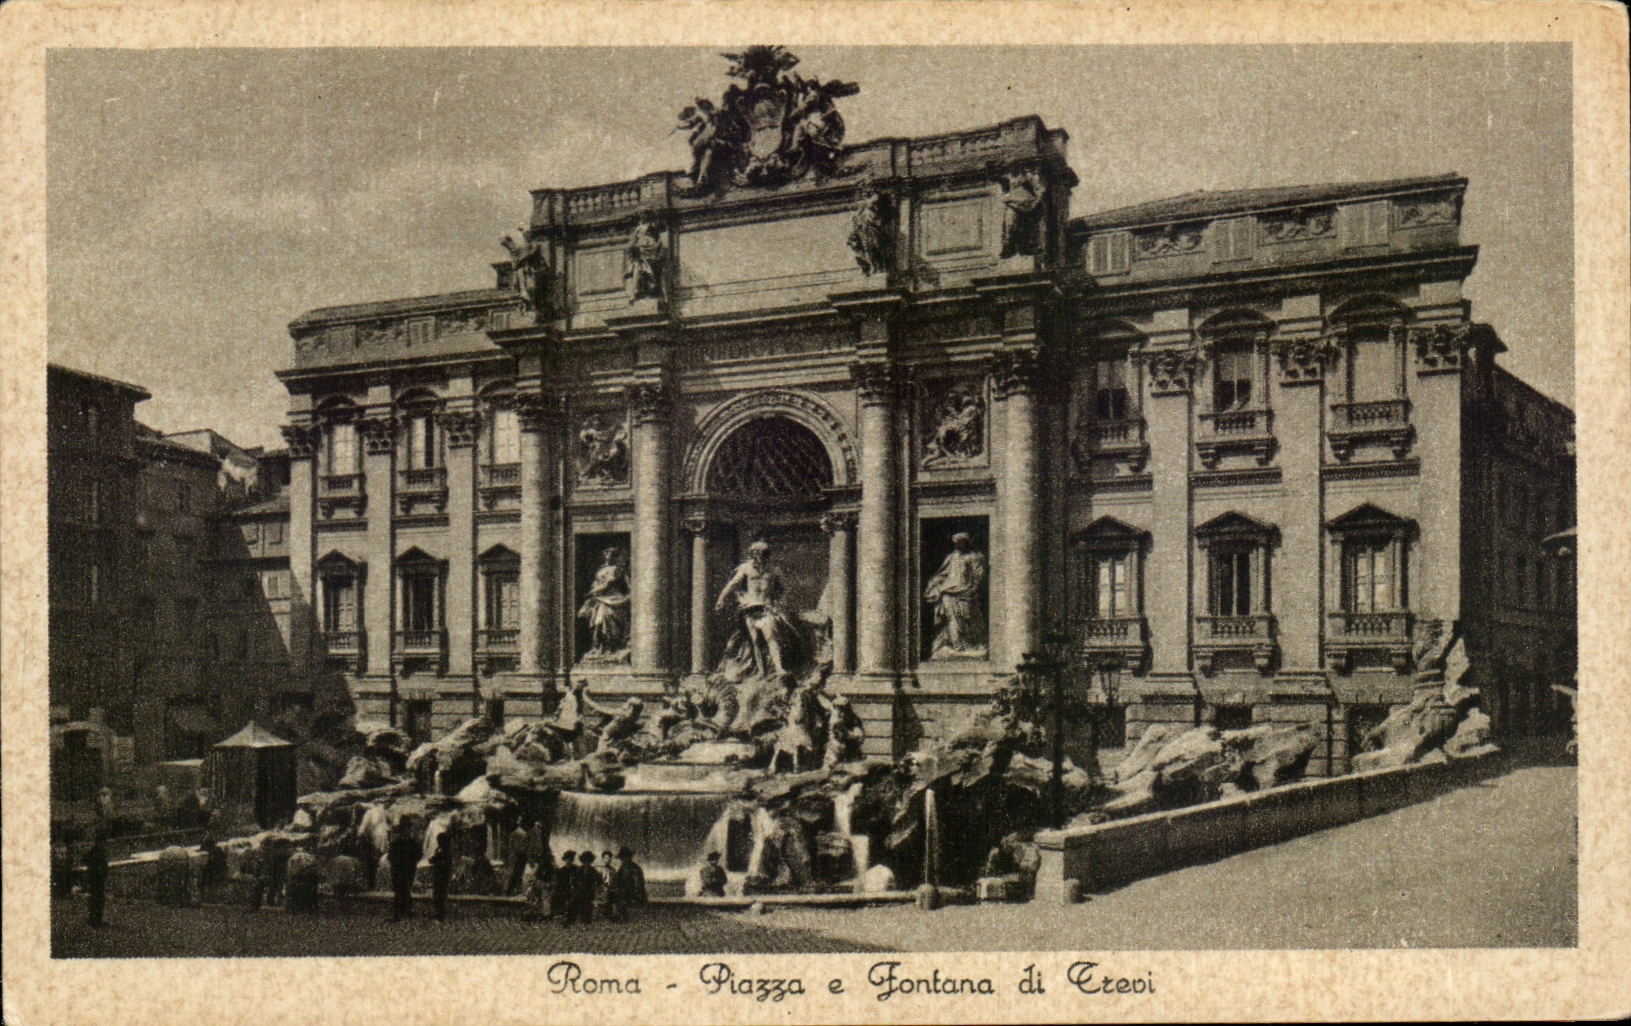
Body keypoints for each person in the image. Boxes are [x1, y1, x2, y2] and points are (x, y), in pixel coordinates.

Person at [714, 540, 804, 683]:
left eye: (763, 554)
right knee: (755, 641)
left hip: (766, 608)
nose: (760, 557)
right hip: (750, 608)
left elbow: (785, 589)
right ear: (753, 554)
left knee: (770, 636)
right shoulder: (745, 568)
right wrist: (721, 599)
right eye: (757, 554)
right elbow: (732, 584)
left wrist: (778, 603)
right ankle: (762, 671)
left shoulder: (773, 570)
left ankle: (779, 668)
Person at [923, 532, 988, 658]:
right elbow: (943, 573)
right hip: (949, 592)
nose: (958, 545)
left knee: (969, 619)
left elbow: (980, 576)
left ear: (967, 542)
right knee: (951, 619)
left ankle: (971, 646)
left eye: (960, 542)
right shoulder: (952, 557)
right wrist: (933, 583)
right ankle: (957, 646)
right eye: (956, 543)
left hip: (967, 592)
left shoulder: (976, 557)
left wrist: (972, 588)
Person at [577, 547, 631, 658]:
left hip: (613, 599)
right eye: (607, 554)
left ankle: (610, 649)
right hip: (600, 599)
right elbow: (597, 583)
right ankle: (597, 648)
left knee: (607, 620)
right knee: (596, 623)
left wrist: (589, 593)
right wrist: (593, 591)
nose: (609, 556)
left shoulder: (617, 569)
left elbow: (607, 585)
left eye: (612, 554)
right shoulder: (601, 570)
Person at [387, 817, 423, 922]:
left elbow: (418, 855)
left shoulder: (409, 843)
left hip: (405, 869)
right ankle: (401, 912)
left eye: (407, 828)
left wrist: (411, 862)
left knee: (404, 890)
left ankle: (404, 912)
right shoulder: (400, 843)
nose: (405, 831)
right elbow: (390, 856)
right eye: (404, 829)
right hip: (401, 870)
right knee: (400, 890)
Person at [83, 812, 110, 927]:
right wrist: (104, 872)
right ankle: (96, 920)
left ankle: (94, 919)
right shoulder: (99, 850)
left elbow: (86, 859)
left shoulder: (94, 849)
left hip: (94, 876)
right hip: (97, 877)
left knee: (95, 898)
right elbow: (102, 864)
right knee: (98, 899)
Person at [427, 819, 457, 921]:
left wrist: (433, 857)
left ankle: (440, 915)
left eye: (438, 841)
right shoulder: (446, 851)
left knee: (439, 896)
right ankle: (439, 914)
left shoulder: (443, 852)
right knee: (440, 895)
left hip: (441, 876)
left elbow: (433, 860)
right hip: (442, 876)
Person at [566, 851, 599, 925]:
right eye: (585, 860)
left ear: (590, 861)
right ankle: (570, 924)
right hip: (578, 894)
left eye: (588, 861)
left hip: (589, 895)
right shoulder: (578, 870)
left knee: (587, 912)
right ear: (583, 861)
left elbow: (599, 881)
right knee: (573, 910)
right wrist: (575, 890)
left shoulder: (593, 871)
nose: (586, 863)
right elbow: (573, 881)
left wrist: (593, 889)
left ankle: (586, 924)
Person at [612, 847, 648, 914]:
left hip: (631, 900)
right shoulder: (626, 868)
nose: (622, 860)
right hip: (627, 899)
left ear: (628, 857)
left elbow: (638, 885)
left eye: (623, 858)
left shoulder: (632, 868)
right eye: (621, 858)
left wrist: (635, 898)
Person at [506, 818, 536, 897]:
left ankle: (512, 890)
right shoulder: (521, 833)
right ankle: (515, 890)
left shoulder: (516, 832)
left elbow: (513, 846)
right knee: (518, 874)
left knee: (515, 873)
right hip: (520, 856)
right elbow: (522, 847)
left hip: (517, 856)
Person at [551, 850, 576, 921]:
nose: (569, 861)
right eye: (567, 859)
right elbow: (558, 883)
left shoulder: (576, 869)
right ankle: (558, 914)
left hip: (574, 890)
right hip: (564, 890)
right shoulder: (561, 870)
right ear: (565, 860)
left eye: (570, 859)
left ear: (572, 860)